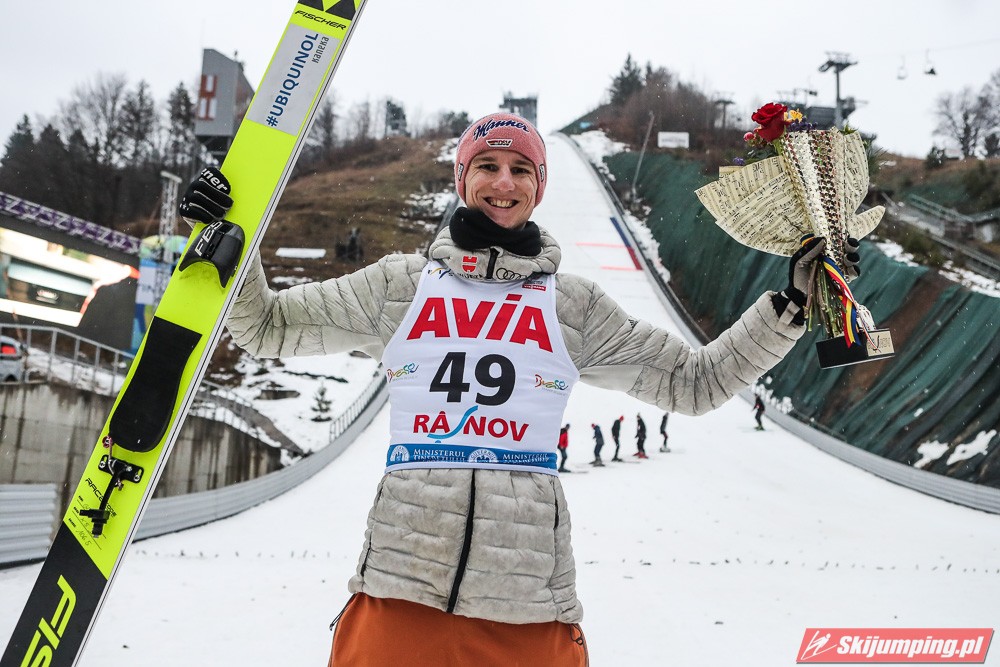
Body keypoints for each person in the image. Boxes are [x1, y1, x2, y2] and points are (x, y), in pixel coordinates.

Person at [182, 110, 834, 665]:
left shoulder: (573, 307)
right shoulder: (399, 287)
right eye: (488, 165)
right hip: (401, 595)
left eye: (521, 169)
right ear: (461, 177)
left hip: (525, 610)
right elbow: (266, 326)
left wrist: (791, 304)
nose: (503, 182)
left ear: (539, 187)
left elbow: (695, 383)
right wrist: (229, 235)